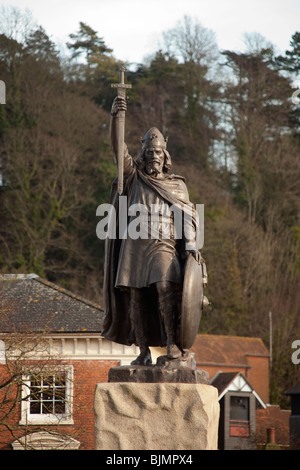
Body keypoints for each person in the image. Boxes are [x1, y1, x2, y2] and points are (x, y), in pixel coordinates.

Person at [102, 96, 200, 365]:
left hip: (163, 244)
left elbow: (188, 217)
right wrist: (115, 118)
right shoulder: (134, 176)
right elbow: (117, 149)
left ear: (164, 156)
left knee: (165, 287)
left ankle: (172, 344)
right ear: (143, 154)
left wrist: (190, 246)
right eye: (149, 152)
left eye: (158, 153)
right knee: (136, 297)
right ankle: (143, 350)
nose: (153, 156)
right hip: (134, 244)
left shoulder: (177, 185)